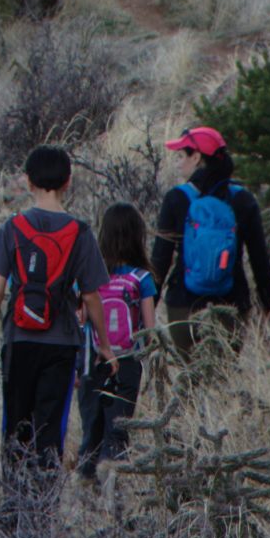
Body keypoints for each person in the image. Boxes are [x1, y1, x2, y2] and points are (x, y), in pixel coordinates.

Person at [0, 144, 115, 468]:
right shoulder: (80, 232)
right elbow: (92, 296)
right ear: (68, 182)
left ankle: (14, 510)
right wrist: (104, 345)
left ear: (27, 182)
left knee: (15, 429)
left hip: (18, 340)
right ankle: (44, 511)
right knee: (50, 433)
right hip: (61, 345)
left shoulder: (12, 227)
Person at [151, 125, 270, 362]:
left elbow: (160, 260)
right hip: (232, 303)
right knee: (222, 377)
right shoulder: (243, 199)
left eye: (181, 156)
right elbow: (260, 259)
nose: (178, 163)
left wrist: (147, 308)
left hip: (183, 304)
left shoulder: (176, 199)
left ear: (196, 158)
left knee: (190, 379)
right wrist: (266, 305)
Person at [76, 202, 158, 481]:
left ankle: (85, 486)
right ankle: (115, 489)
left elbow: (81, 320)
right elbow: (149, 329)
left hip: (93, 360)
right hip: (126, 364)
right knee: (119, 429)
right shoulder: (142, 278)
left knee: (91, 428)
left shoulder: (89, 276)